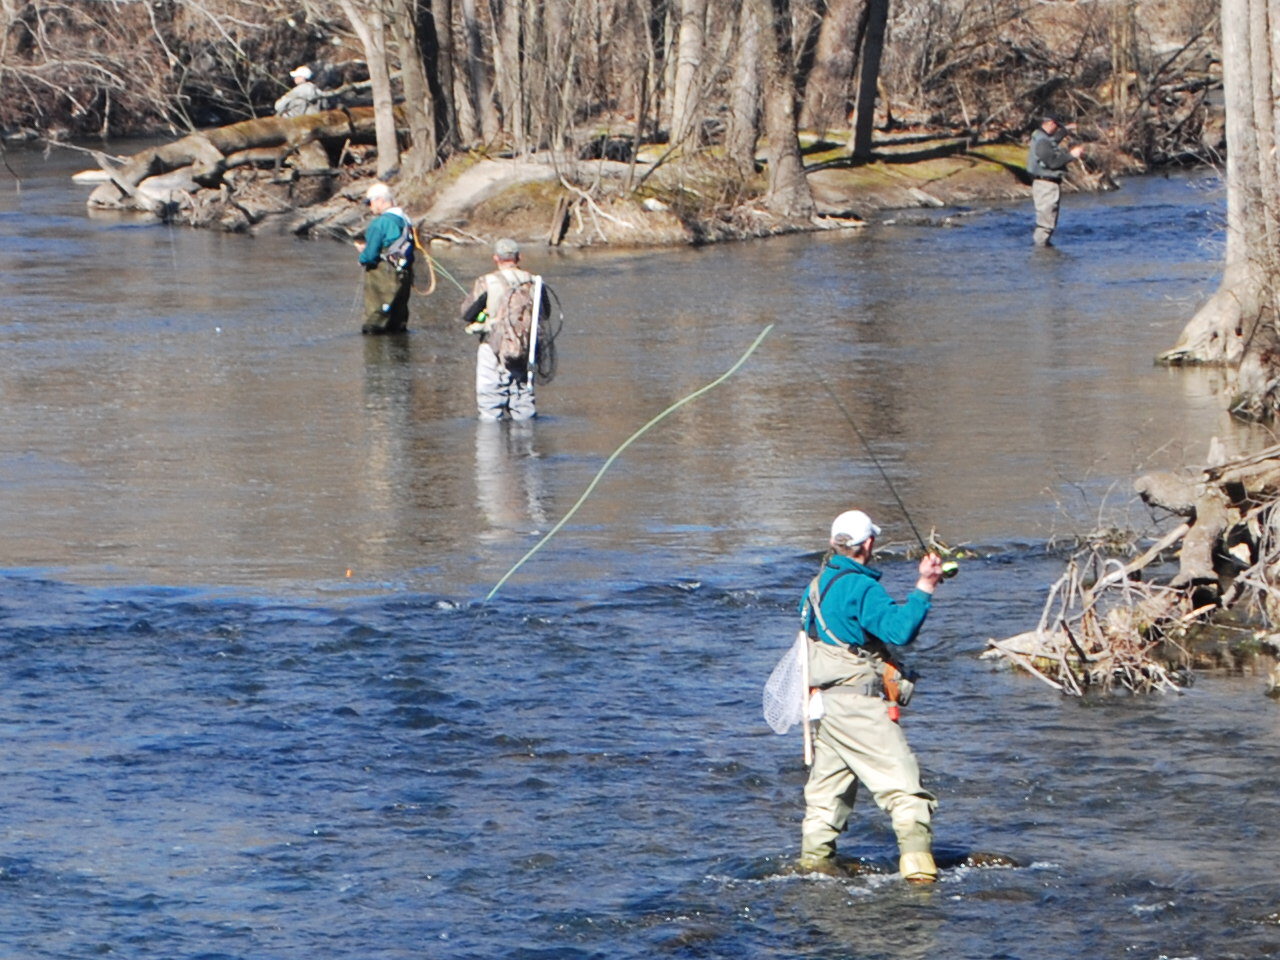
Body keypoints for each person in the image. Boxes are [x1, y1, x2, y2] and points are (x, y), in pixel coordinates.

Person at [798, 509, 945, 882]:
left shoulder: (816, 585)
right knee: (905, 791)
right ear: (868, 545)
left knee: (827, 797)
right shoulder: (861, 588)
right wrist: (925, 586)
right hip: (857, 706)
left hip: (825, 706)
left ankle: (813, 869)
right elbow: (899, 631)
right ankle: (920, 879)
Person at [458, 238, 548, 421]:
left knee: (490, 402)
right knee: (522, 399)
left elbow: (467, 314)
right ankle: (526, 443)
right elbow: (546, 313)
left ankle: (491, 443)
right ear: (519, 258)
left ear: (496, 258)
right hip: (526, 346)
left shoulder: (486, 282)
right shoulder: (534, 281)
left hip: (493, 345)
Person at [353, 182, 415, 335]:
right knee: (397, 322)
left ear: (380, 200)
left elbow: (371, 256)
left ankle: (376, 357)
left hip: (384, 274)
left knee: (375, 323)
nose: (369, 207)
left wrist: (362, 257)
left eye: (370, 202)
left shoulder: (380, 223)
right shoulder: (405, 219)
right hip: (404, 274)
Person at [1026, 114, 1085, 247]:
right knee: (1046, 224)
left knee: (1048, 222)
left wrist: (1066, 130)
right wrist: (1071, 155)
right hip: (1045, 185)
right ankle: (1042, 255)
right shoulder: (1042, 142)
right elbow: (1052, 162)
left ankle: (1043, 251)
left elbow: (1052, 141)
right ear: (1051, 124)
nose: (1058, 129)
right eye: (1057, 126)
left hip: (1045, 185)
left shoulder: (1040, 136)